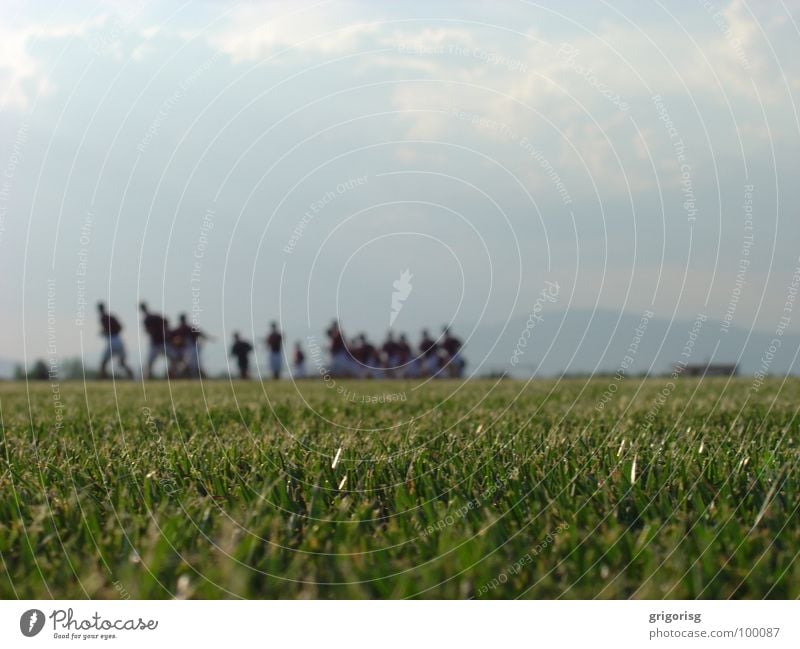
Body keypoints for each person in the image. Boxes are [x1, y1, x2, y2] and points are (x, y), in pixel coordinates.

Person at [97, 302, 133, 379]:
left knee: (103, 363)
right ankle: (132, 377)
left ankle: (103, 379)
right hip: (118, 340)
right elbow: (121, 327)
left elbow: (108, 330)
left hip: (112, 341)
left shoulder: (103, 317)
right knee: (122, 363)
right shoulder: (110, 316)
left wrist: (105, 332)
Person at [171, 314, 211, 378]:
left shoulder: (188, 328)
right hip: (185, 349)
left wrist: (209, 338)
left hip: (192, 348)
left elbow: (200, 334)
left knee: (193, 365)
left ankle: (195, 377)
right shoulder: (181, 329)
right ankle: (181, 376)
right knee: (188, 365)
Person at [140, 302, 170, 379]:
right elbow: (166, 322)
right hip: (157, 343)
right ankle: (148, 378)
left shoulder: (150, 318)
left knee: (174, 359)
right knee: (150, 363)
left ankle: (171, 375)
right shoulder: (152, 317)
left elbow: (166, 322)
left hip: (160, 343)